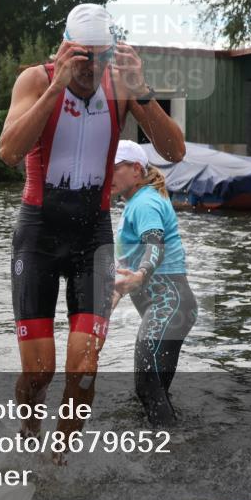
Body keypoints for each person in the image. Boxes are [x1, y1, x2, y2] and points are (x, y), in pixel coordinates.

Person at [0, 3, 186, 460]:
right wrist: (56, 86)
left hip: (92, 238)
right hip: (39, 234)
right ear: (64, 49)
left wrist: (142, 92)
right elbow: (8, 150)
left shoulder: (120, 87)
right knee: (41, 373)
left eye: (100, 59)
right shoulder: (36, 79)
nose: (90, 70)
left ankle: (57, 463)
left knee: (83, 371)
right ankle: (28, 432)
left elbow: (174, 150)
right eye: (82, 58)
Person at [110, 140, 197, 427]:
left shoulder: (145, 202)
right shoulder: (136, 203)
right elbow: (127, 269)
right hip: (171, 307)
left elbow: (154, 243)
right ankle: (173, 448)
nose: (106, 175)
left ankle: (170, 451)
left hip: (168, 304)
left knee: (146, 386)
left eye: (113, 168)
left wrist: (143, 273)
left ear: (136, 169)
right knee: (154, 392)